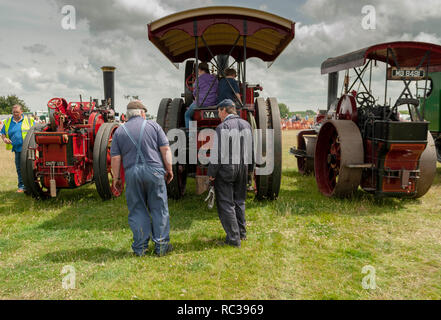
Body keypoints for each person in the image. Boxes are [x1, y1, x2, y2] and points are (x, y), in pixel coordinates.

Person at [110, 100, 174, 257]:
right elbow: (165, 149)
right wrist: (169, 169)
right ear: (142, 113)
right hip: (155, 172)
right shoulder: (154, 126)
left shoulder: (120, 131)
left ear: (128, 115)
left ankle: (140, 248)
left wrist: (116, 178)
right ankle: (161, 246)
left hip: (132, 173)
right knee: (159, 208)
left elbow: (116, 158)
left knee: (137, 209)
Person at [208, 99, 253, 247]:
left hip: (227, 169)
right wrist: (250, 171)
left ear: (224, 110)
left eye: (219, 112)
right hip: (243, 168)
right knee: (239, 201)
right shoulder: (246, 125)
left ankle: (234, 239)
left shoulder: (223, 127)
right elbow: (251, 150)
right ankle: (242, 233)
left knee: (226, 203)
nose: (218, 115)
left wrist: (212, 173)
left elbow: (218, 153)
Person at [1, 104, 34, 193]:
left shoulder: (29, 120)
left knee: (31, 168)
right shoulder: (8, 121)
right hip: (17, 150)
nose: (15, 114)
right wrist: (5, 139)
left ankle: (32, 186)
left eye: (17, 112)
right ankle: (22, 187)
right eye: (14, 112)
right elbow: (3, 133)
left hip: (29, 149)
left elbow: (36, 131)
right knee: (20, 168)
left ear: (21, 112)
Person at [184, 62, 218, 128]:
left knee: (187, 115)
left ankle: (190, 135)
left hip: (201, 103)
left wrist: (196, 103)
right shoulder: (215, 78)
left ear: (199, 70)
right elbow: (217, 90)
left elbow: (195, 94)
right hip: (214, 103)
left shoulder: (198, 79)